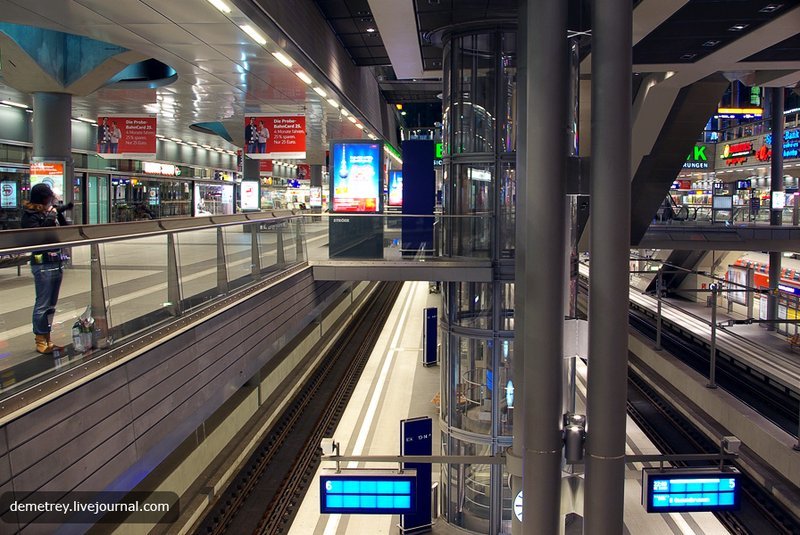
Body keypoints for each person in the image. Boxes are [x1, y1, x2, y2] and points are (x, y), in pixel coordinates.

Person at [21, 183, 73, 354]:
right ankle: (40, 338)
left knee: (52, 303)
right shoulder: (30, 214)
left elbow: (65, 231)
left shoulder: (51, 212)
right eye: (49, 196)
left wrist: (58, 214)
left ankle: (48, 336)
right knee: (43, 302)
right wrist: (50, 217)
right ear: (43, 197)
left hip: (56, 259)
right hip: (42, 262)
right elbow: (35, 235)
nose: (51, 199)